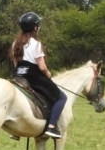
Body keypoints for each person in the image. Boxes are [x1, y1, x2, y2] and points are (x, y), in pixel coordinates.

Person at [10, 11, 67, 139]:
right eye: (38, 25)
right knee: (61, 97)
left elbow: (15, 63)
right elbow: (41, 66)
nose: (39, 28)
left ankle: (15, 130)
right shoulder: (36, 44)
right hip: (33, 75)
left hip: (18, 74)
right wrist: (48, 74)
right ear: (35, 28)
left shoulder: (16, 43)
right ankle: (52, 127)